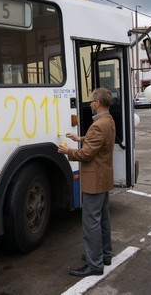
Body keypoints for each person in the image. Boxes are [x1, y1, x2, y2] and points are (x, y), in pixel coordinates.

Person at [58, 87, 115, 277]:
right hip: (104, 178)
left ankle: (94, 264)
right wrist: (79, 138)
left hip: (94, 181)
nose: (90, 103)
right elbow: (98, 141)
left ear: (97, 103)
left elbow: (86, 154)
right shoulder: (108, 120)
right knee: (103, 220)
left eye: (91, 100)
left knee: (91, 223)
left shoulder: (98, 125)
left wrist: (68, 152)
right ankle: (105, 255)